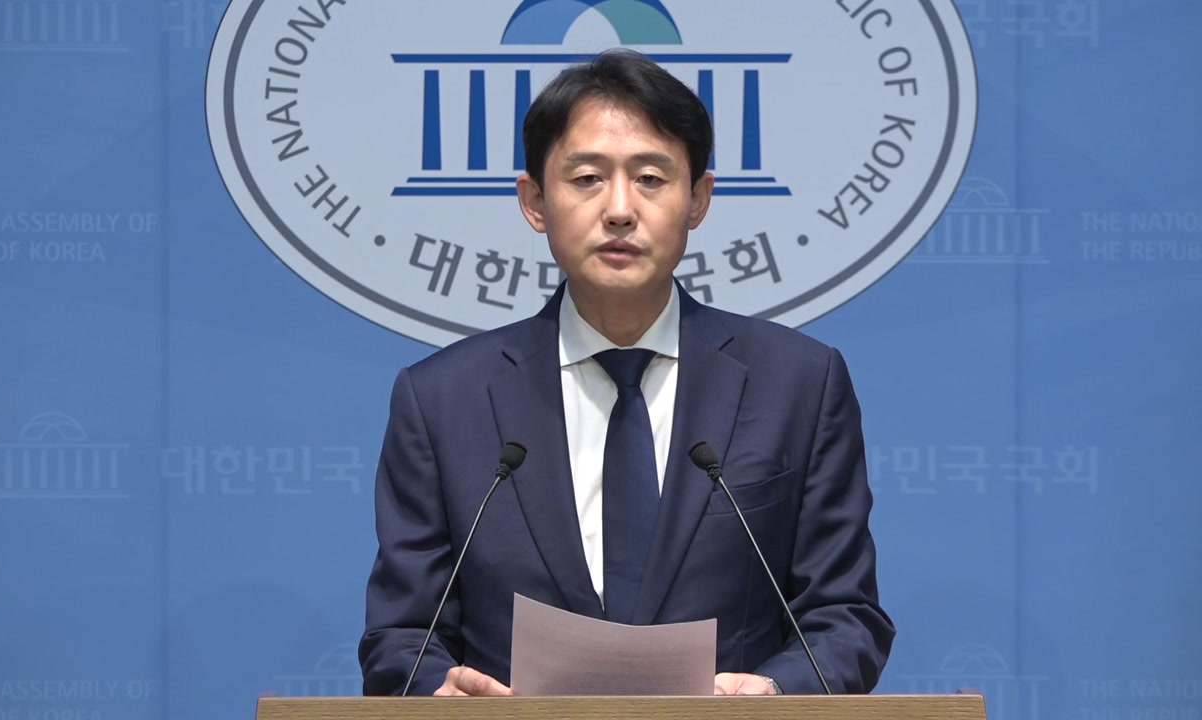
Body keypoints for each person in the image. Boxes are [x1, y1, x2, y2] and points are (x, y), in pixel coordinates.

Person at [358, 48, 894, 697]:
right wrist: (439, 692)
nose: (619, 209)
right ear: (534, 201)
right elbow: (402, 635)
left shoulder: (798, 384)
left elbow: (844, 616)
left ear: (698, 200)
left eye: (650, 178)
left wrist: (775, 693)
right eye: (587, 178)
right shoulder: (443, 401)